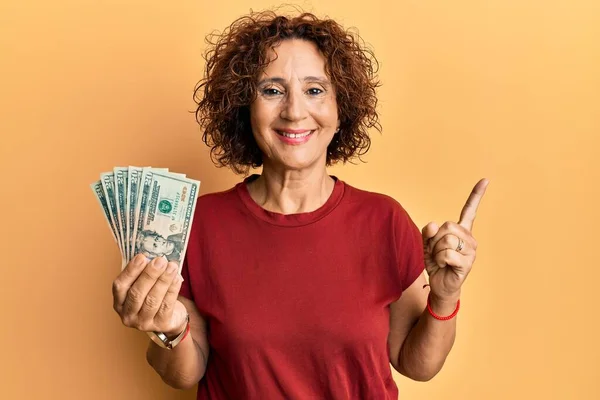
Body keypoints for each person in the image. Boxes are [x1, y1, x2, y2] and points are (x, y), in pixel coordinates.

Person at [111, 10, 489, 399]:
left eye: (314, 90)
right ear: (245, 105)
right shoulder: (201, 223)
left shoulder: (385, 220)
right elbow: (184, 374)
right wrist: (168, 330)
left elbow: (417, 365)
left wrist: (444, 297)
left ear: (341, 109)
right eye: (272, 90)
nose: (294, 111)